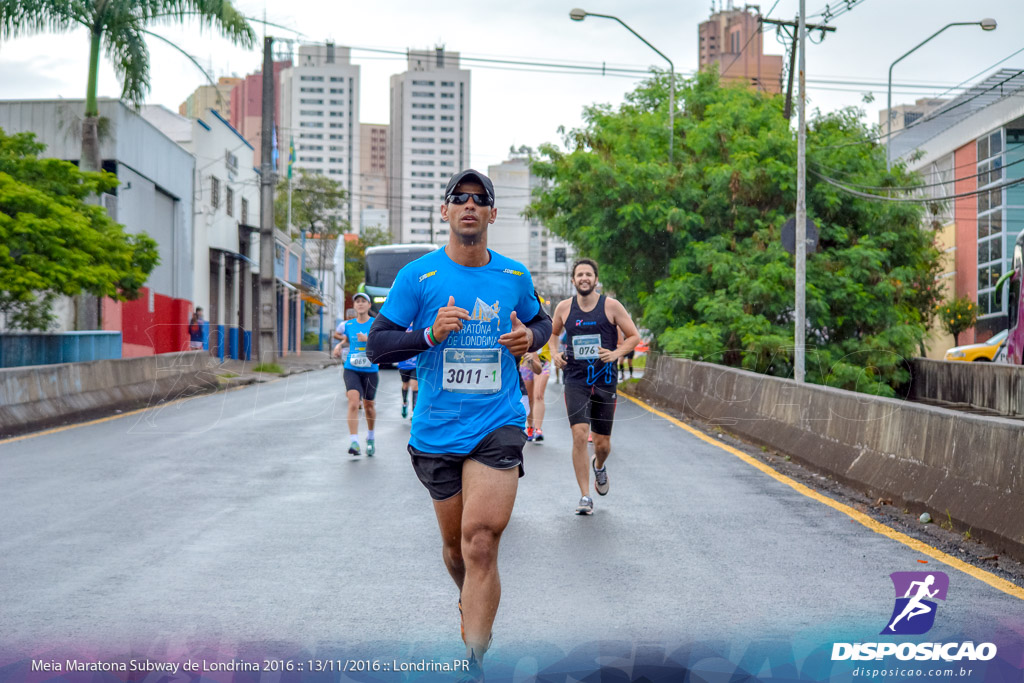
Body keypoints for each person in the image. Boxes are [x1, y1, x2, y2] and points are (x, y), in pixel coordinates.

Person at [366, 169, 551, 678]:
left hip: (498, 422)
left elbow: (540, 321)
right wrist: (427, 335)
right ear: (444, 212)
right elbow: (376, 344)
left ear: (493, 214)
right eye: (459, 198)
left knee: (481, 539)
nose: (469, 205)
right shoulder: (418, 277)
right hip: (437, 430)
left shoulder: (513, 277)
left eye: (480, 199)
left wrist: (529, 340)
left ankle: (475, 656)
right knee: (455, 552)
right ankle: (471, 600)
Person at [551, 258, 640, 515]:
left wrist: (616, 353)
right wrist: (555, 354)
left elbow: (634, 336)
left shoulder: (611, 306)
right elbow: (553, 334)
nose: (584, 278)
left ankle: (599, 466)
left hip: (604, 380)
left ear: (596, 279)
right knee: (579, 434)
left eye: (588, 274)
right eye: (579, 275)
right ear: (573, 280)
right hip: (576, 379)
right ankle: (585, 495)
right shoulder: (564, 308)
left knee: (602, 444)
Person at [333, 292, 379, 456]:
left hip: (370, 370)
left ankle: (371, 437)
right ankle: (354, 441)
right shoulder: (349, 325)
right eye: (357, 301)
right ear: (354, 306)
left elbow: (382, 344)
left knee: (369, 406)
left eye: (363, 301)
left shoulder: (375, 324)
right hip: (351, 368)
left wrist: (367, 340)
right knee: (353, 402)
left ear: (368, 305)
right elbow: (347, 340)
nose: (360, 304)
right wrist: (339, 346)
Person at [397, 348, 418, 419]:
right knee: (405, 385)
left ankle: (414, 411)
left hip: (415, 365)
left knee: (415, 386)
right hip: (404, 365)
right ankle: (404, 403)